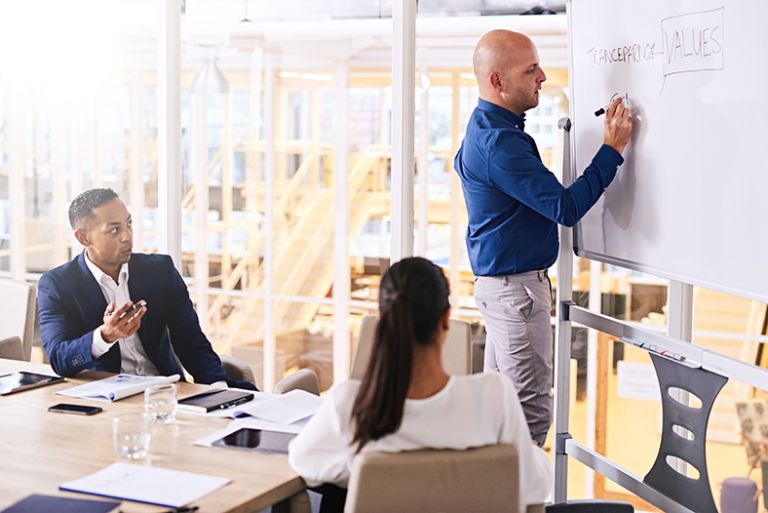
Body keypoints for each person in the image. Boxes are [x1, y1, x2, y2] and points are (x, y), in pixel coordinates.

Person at [454, 30, 633, 445]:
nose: (542, 77)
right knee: (530, 421)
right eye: (530, 69)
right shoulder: (501, 143)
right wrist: (612, 149)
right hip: (515, 294)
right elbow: (565, 208)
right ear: (497, 82)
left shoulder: (484, 124)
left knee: (501, 414)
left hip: (499, 289)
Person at [288, 257, 551, 512]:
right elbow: (533, 486)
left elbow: (303, 461)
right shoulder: (494, 397)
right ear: (446, 319)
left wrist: (368, 469)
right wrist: (532, 454)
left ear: (383, 320)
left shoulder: (350, 404)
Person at [38, 188, 256, 390]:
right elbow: (60, 359)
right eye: (114, 230)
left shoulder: (160, 271)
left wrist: (218, 391)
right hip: (109, 401)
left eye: (129, 224)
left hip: (165, 392)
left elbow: (192, 343)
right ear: (83, 237)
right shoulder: (58, 284)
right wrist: (105, 336)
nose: (128, 237)